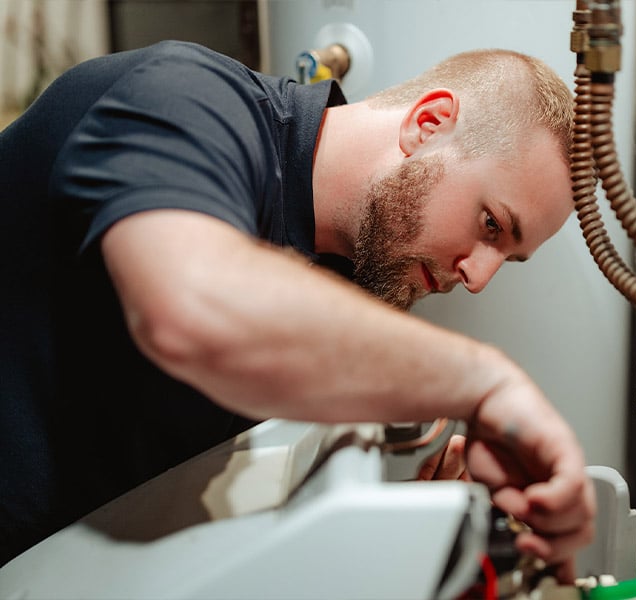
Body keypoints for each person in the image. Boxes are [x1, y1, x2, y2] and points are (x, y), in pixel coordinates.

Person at [0, 40, 595, 578]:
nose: (478, 276)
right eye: (490, 224)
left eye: (506, 257)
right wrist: (482, 382)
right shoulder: (184, 100)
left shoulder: (353, 273)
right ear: (428, 123)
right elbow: (194, 309)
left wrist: (408, 493)